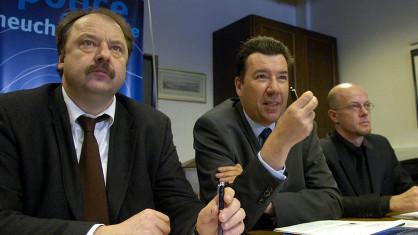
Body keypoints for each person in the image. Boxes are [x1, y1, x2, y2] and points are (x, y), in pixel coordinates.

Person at [0, 8, 245, 235]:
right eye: (88, 43)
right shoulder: (13, 114)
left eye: (117, 48)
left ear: (125, 65)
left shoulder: (152, 126)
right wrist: (100, 233)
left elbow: (178, 205)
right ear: (62, 57)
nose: (104, 55)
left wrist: (203, 222)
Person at [194, 36, 342, 231]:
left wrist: (267, 200)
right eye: (262, 76)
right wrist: (281, 141)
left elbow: (332, 201)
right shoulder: (213, 127)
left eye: (281, 77)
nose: (274, 89)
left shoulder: (303, 126)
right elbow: (223, 218)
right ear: (239, 86)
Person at [320, 83, 417, 217]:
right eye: (354, 106)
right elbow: (328, 203)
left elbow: (405, 189)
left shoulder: (381, 144)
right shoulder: (321, 152)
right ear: (334, 116)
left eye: (366, 105)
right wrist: (388, 203)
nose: (364, 112)